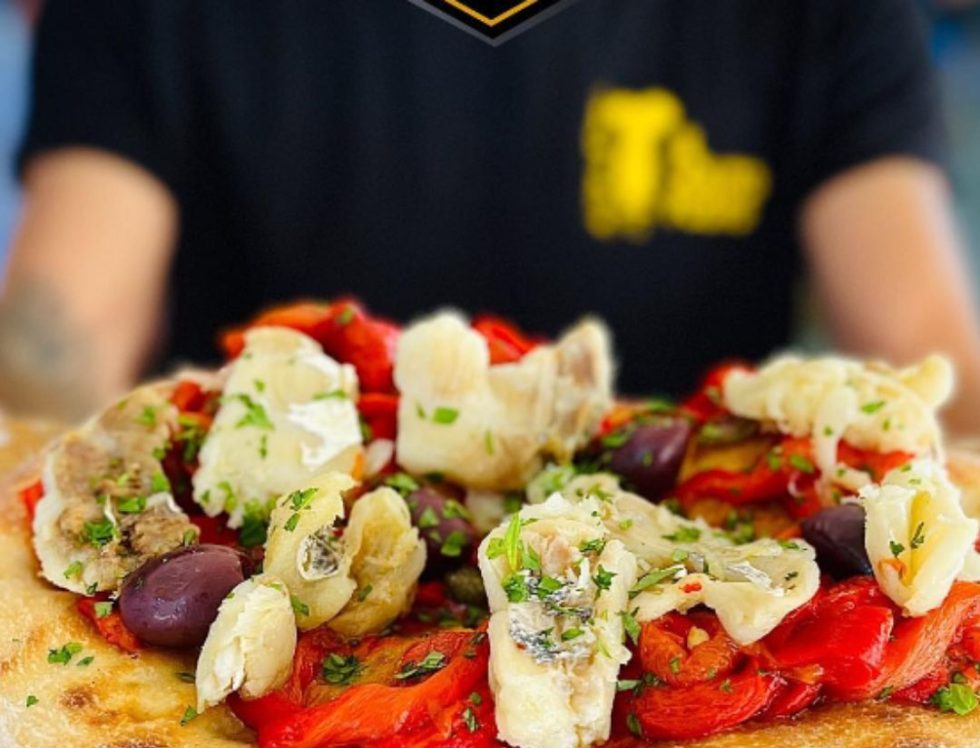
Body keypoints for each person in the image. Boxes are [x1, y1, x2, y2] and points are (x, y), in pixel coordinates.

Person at [2, 0, 980, 429]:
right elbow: (58, 336)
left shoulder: (825, 12)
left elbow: (930, 358)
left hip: (701, 616)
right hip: (259, 611)